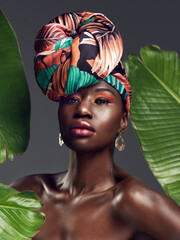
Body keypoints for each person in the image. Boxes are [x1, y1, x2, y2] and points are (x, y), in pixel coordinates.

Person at [10, 11, 180, 240]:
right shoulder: (30, 191)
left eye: (101, 101)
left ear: (122, 120)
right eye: (71, 99)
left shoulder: (132, 201)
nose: (82, 110)